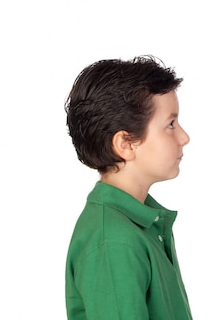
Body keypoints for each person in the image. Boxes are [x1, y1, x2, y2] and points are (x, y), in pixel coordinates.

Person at [64, 55, 192, 320]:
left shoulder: (142, 223)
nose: (184, 137)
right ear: (125, 144)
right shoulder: (114, 241)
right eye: (170, 124)